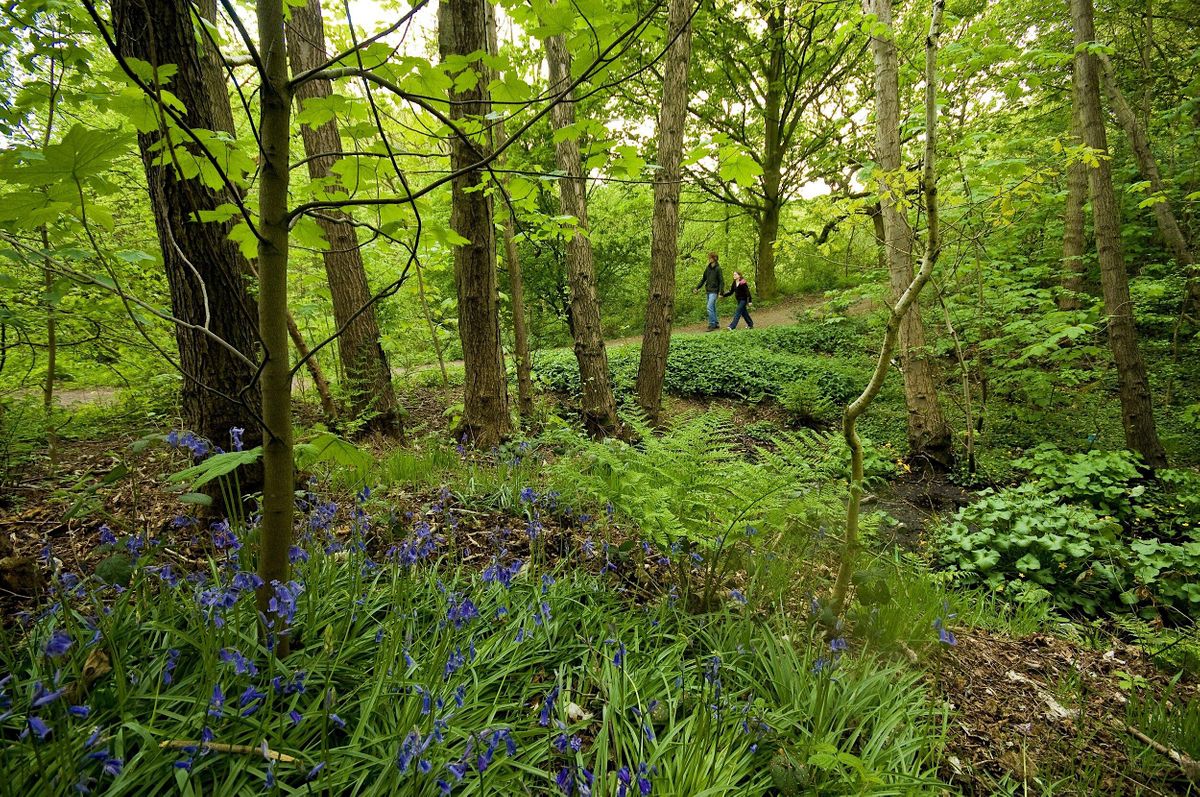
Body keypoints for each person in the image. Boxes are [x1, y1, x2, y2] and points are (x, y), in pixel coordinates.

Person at [692, 252, 724, 331]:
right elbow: (703, 279)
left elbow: (721, 281)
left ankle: (712, 324)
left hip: (714, 291)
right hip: (708, 291)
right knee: (712, 307)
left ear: (715, 259)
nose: (709, 259)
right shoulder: (708, 268)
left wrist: (721, 292)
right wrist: (697, 288)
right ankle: (716, 323)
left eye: (710, 258)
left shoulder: (718, 269)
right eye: (709, 257)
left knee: (709, 307)